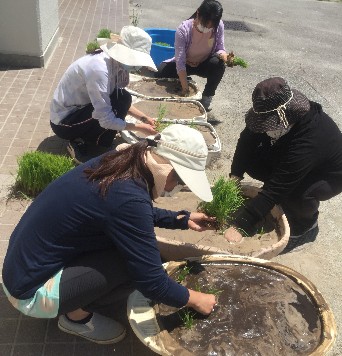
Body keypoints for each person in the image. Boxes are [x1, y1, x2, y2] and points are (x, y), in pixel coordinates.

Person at [2, 124, 217, 345]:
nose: (177, 187)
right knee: (132, 265)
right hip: (29, 292)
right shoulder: (128, 195)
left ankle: (75, 299)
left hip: (21, 267)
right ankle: (76, 318)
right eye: (181, 181)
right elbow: (152, 281)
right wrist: (197, 299)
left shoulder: (123, 159)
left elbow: (128, 213)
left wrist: (181, 219)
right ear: (170, 168)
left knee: (130, 247)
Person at [224, 77, 342, 253]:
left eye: (268, 124)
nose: (264, 128)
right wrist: (235, 175)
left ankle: (304, 229)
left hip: (328, 175)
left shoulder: (310, 138)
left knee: (297, 193)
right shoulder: (273, 112)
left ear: (284, 116)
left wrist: (241, 224)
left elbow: (279, 186)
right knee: (253, 161)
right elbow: (247, 140)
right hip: (295, 161)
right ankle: (272, 204)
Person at [50, 26, 158, 157]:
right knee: (112, 112)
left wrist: (144, 118)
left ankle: (98, 139)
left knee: (123, 98)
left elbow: (120, 100)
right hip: (64, 122)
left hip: (81, 110)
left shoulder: (114, 63)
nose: (138, 67)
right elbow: (105, 119)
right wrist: (139, 127)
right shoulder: (99, 69)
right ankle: (80, 141)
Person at [156, 0, 229, 111]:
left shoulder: (219, 26)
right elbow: (180, 62)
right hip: (186, 64)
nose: (206, 29)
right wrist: (186, 89)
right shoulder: (183, 29)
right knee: (161, 72)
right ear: (198, 13)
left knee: (219, 64)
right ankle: (186, 80)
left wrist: (224, 56)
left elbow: (220, 48)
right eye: (204, 25)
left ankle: (206, 98)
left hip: (204, 64)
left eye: (210, 27)